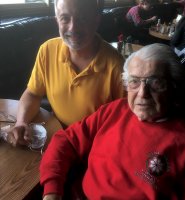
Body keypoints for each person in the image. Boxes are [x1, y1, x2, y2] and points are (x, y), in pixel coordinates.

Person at [40, 43, 185, 200]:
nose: (142, 93)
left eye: (156, 82)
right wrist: (52, 190)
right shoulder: (114, 110)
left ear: (174, 87)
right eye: (134, 81)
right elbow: (66, 141)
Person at [7, 0, 125, 146]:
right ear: (57, 20)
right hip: (55, 136)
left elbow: (125, 121)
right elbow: (33, 93)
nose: (73, 28)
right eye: (65, 18)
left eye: (82, 18)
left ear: (96, 20)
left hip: (94, 146)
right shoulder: (47, 50)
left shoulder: (117, 66)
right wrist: (21, 122)